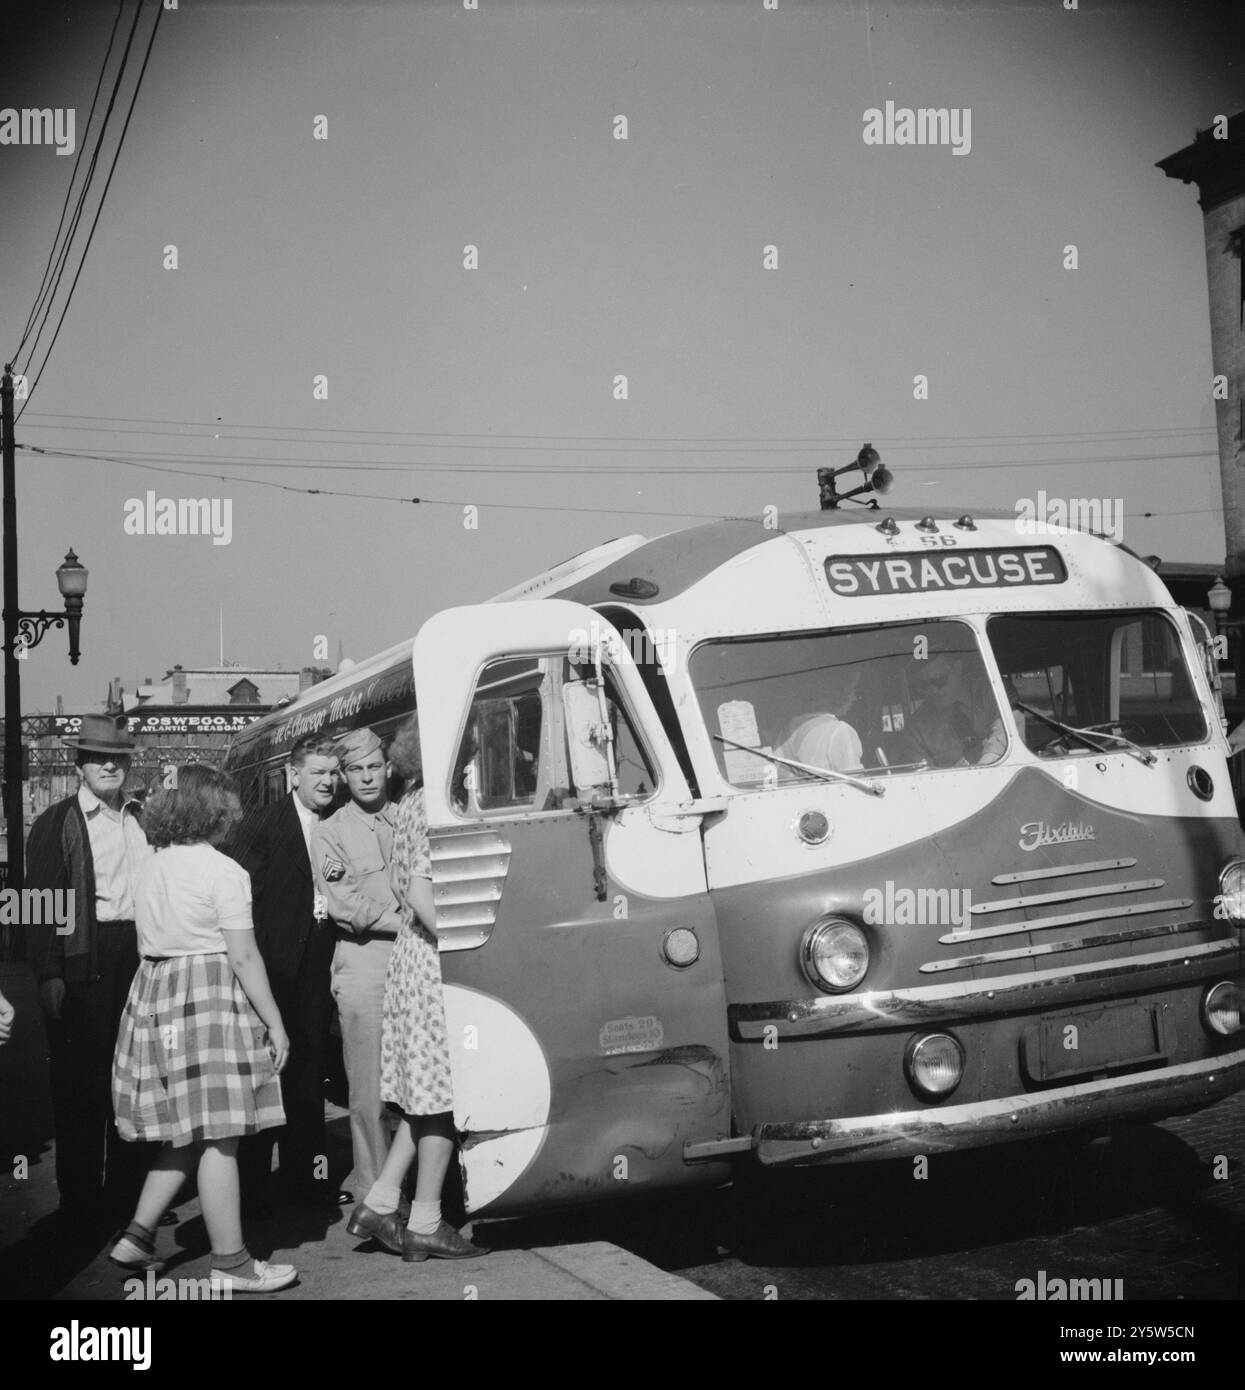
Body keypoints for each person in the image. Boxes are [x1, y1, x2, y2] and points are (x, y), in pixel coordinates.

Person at [107, 765, 296, 1292]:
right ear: (216, 813)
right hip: (209, 995)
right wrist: (275, 1023)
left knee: (187, 1129)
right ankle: (232, 1263)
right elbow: (244, 955)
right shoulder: (224, 872)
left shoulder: (150, 865)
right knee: (222, 1135)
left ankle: (138, 1233)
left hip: (156, 991)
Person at [346, 715, 486, 1261]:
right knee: (443, 1098)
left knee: (421, 1098)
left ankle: (381, 1204)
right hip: (432, 959)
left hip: (409, 956)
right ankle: (425, 1219)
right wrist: (464, 940)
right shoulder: (435, 805)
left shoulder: (410, 801)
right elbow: (423, 890)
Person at [25, 713, 154, 1222]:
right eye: (98, 757)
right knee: (80, 1085)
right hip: (83, 955)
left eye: (117, 757)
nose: (109, 765)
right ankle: (80, 1202)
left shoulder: (143, 817)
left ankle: (128, 1196)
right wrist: (48, 973)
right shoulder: (56, 821)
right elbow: (35, 903)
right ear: (80, 765)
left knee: (134, 1081)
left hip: (140, 955)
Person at [225, 734, 350, 1212]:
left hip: (323, 963)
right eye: (317, 772)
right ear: (294, 775)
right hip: (274, 968)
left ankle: (308, 1183)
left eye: (332, 772)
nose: (327, 781)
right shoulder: (262, 825)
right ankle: (254, 1191)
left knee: (310, 1073)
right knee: (267, 1074)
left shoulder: (339, 820)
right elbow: (242, 900)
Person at [312, 727, 405, 1202]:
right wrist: (413, 922)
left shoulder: (409, 819)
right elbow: (346, 906)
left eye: (374, 766)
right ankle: (374, 1190)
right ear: (344, 777)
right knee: (367, 1087)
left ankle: (417, 1183)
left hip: (413, 964)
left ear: (388, 768)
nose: (367, 777)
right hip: (365, 964)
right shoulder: (329, 833)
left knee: (415, 1079)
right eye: (356, 770)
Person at [905, 651, 1008, 768]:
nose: (933, 690)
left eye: (939, 680)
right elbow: (922, 774)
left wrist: (982, 769)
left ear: (957, 668)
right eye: (924, 686)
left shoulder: (993, 692)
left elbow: (1004, 736)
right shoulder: (916, 729)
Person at [775, 666, 864, 773]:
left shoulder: (787, 731)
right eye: (851, 690)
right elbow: (855, 781)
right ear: (840, 694)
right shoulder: (840, 731)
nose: (854, 697)